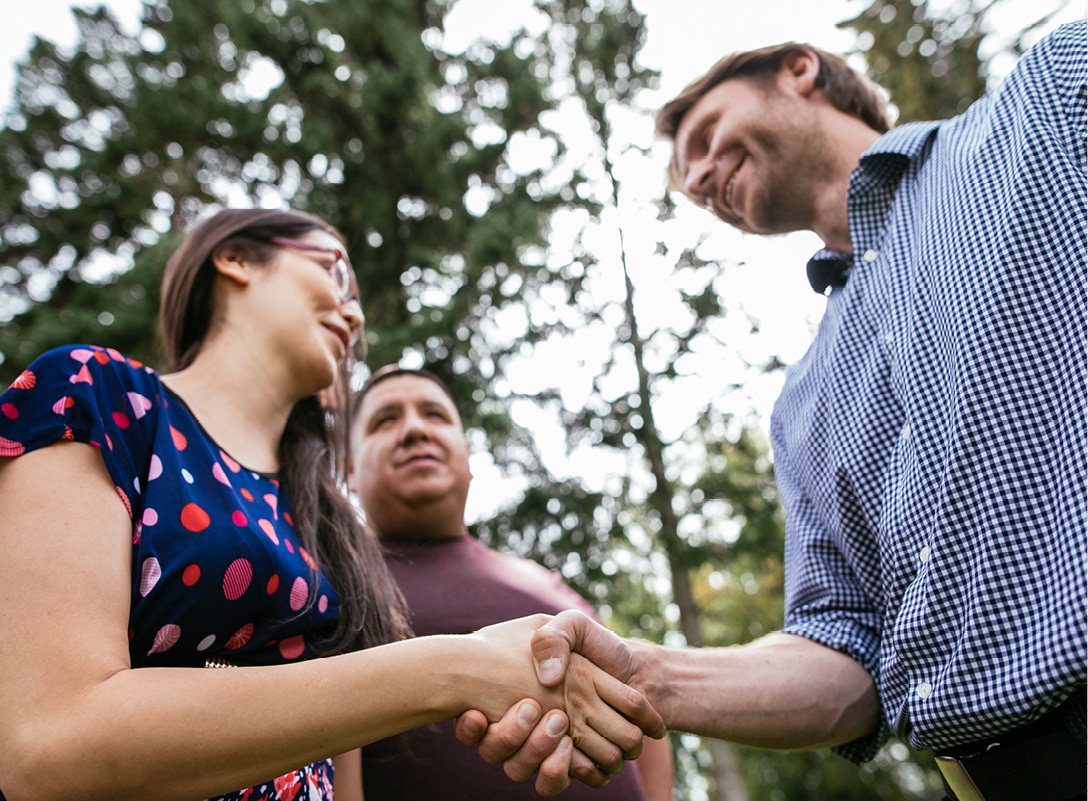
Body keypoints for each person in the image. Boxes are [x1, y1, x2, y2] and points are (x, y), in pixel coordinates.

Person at [458, 21, 1087, 801]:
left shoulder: (1050, 103)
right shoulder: (803, 403)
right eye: (685, 178)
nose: (695, 179)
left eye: (704, 135)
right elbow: (846, 658)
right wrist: (644, 672)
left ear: (797, 70)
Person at [0, 208, 665, 801]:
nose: (353, 314)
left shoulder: (326, 523)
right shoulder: (96, 395)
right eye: (332, 271)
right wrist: (456, 668)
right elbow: (48, 745)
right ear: (233, 258)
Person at [346, 364, 675, 800]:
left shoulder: (544, 582)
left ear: (467, 455)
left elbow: (637, 708)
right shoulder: (330, 586)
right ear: (348, 471)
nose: (413, 430)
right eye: (385, 420)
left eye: (435, 415)